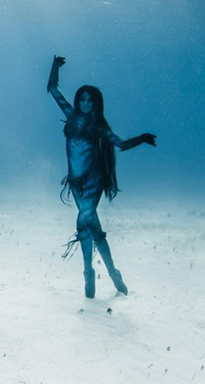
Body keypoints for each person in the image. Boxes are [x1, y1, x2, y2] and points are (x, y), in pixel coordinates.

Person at [46, 56, 156, 298]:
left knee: (83, 222)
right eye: (82, 99)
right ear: (78, 101)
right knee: (93, 228)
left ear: (96, 103)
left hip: (93, 178)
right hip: (75, 181)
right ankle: (111, 272)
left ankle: (88, 272)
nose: (85, 103)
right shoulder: (71, 115)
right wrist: (55, 65)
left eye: (90, 100)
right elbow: (53, 89)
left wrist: (143, 138)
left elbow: (121, 145)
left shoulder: (98, 126)